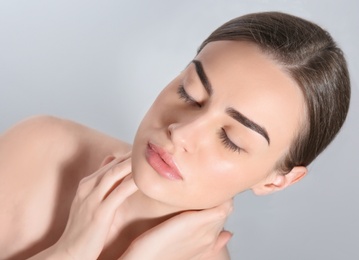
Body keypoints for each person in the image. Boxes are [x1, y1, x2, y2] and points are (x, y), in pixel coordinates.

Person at [0, 11, 350, 260]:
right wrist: (71, 251)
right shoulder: (42, 148)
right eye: (190, 93)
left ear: (277, 181)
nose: (181, 132)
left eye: (231, 139)